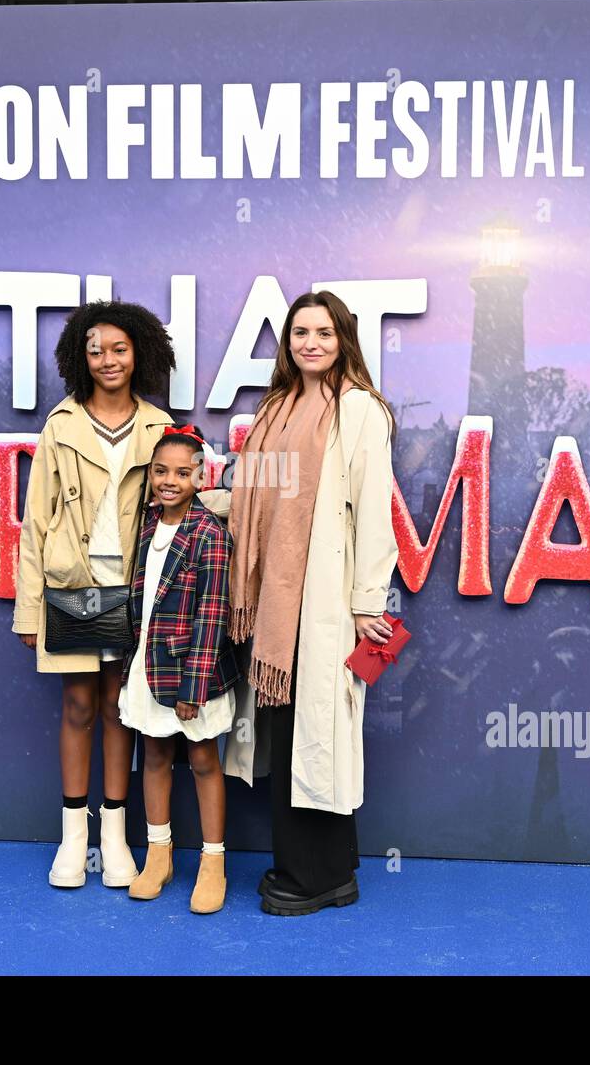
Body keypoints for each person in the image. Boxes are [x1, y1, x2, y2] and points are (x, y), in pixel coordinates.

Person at [224, 289, 399, 915]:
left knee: (316, 733)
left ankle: (317, 879)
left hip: (323, 597)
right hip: (276, 598)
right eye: (301, 332)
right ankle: (321, 866)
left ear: (343, 338)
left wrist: (365, 602)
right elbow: (256, 497)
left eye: (324, 332)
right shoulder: (278, 408)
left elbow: (374, 512)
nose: (311, 343)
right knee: (290, 728)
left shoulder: (359, 411)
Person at [12, 300, 176, 889]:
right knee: (79, 706)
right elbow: (36, 522)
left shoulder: (161, 427)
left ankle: (115, 838)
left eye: (119, 349)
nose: (108, 360)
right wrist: (29, 606)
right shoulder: (61, 425)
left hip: (135, 591)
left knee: (119, 709)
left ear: (140, 354)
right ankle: (72, 839)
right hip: (73, 587)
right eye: (95, 350)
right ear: (80, 358)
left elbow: (186, 504)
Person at [119, 425, 240, 914]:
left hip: (194, 674)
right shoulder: (148, 524)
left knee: (205, 761)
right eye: (161, 471)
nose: (170, 480)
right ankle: (159, 854)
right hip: (149, 664)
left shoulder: (208, 531)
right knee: (153, 758)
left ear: (199, 476)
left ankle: (214, 863)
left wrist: (195, 686)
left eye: (182, 472)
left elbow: (213, 614)